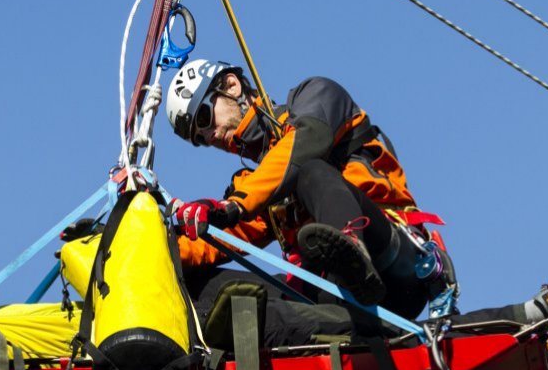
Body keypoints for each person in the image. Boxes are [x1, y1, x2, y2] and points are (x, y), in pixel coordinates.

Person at [166, 59, 451, 319]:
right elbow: (222, 235)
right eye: (199, 138)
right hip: (332, 293)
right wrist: (161, 245)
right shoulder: (261, 183)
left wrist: (235, 204)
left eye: (204, 119)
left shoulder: (319, 95)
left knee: (310, 171)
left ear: (231, 85)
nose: (210, 135)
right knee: (205, 286)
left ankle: (352, 252)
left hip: (394, 262)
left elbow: (307, 141)